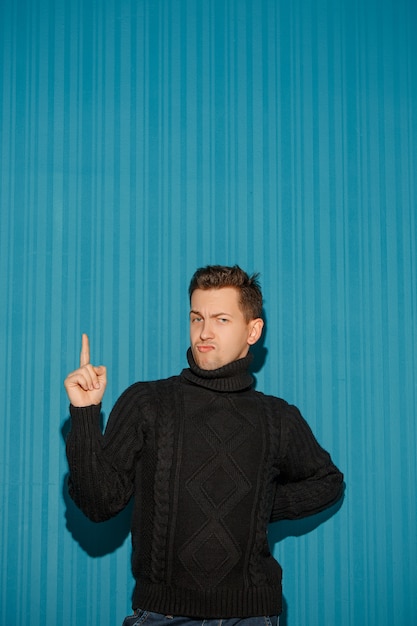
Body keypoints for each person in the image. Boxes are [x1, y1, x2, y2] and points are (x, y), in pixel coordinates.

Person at [65, 265, 343, 626]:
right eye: (197, 318)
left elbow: (328, 482)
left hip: (253, 616)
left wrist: (255, 503)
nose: (204, 332)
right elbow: (98, 504)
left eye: (222, 319)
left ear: (253, 330)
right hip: (162, 615)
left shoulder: (277, 417)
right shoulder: (147, 402)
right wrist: (85, 414)